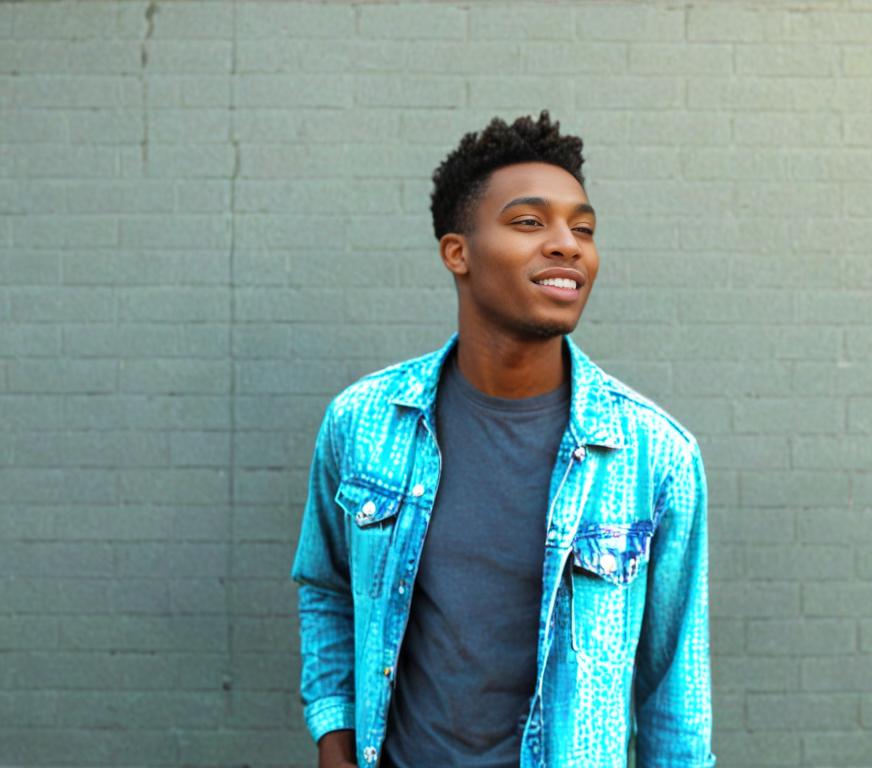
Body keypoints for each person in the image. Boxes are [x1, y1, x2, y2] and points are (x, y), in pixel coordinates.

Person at [290, 110, 715, 768]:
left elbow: (673, 690)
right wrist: (336, 744)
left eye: (584, 228)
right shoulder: (365, 423)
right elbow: (325, 587)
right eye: (528, 222)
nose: (567, 244)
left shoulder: (654, 456)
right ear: (457, 252)